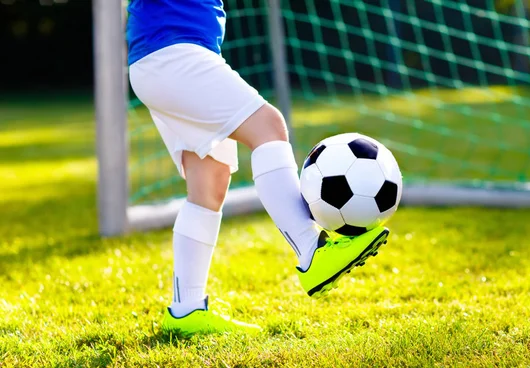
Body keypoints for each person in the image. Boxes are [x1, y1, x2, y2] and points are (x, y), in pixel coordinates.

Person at [126, 0, 389, 336]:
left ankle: (186, 311)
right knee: (268, 125)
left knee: (209, 180)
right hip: (172, 52)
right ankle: (312, 252)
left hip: (163, 57)